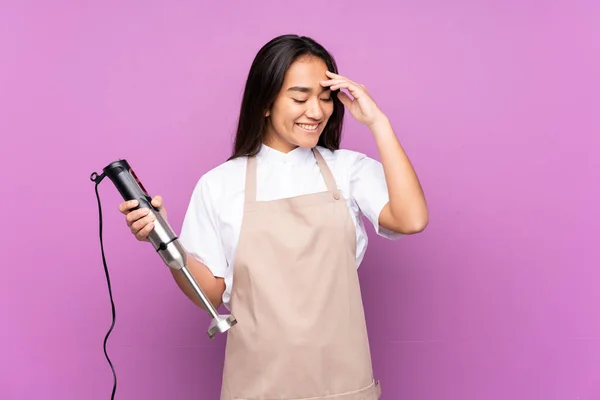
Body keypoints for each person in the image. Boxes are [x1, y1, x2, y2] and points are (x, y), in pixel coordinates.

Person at [118, 34, 428, 400]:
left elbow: (411, 219)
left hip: (343, 386)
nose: (316, 111)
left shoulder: (347, 170)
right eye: (300, 98)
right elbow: (211, 293)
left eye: (325, 98)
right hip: (257, 388)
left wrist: (378, 122)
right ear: (265, 103)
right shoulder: (220, 184)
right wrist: (164, 240)